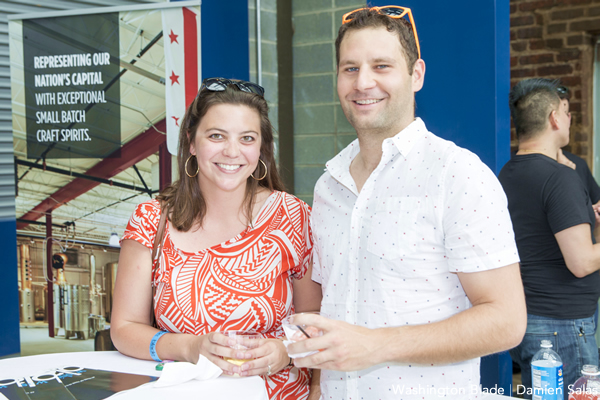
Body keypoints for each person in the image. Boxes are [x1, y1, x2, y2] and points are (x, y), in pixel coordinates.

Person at [287, 5, 527, 399]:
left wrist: (375, 345)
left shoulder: (456, 174)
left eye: (381, 66)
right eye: (350, 68)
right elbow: (333, 310)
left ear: (416, 75)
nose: (363, 82)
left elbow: (506, 321)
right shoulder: (329, 186)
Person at [111, 77, 322, 400]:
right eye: (216, 136)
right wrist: (189, 346)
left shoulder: (292, 216)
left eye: (247, 138)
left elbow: (316, 318)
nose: (232, 151)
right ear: (192, 143)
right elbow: (125, 328)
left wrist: (286, 350)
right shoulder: (151, 221)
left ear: (261, 148)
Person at [499, 78, 600, 399]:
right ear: (554, 118)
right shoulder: (560, 178)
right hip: (562, 328)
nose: (570, 119)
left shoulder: (507, 172)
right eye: (566, 113)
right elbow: (581, 262)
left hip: (529, 319)